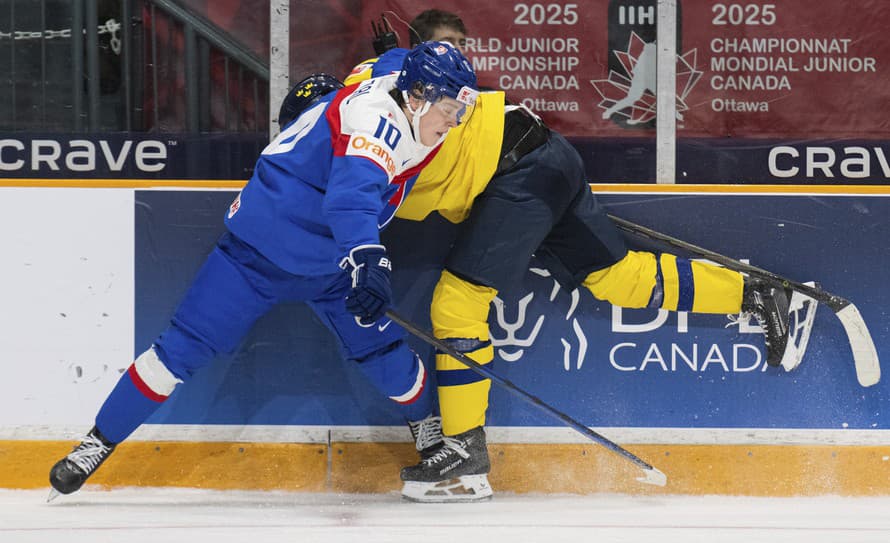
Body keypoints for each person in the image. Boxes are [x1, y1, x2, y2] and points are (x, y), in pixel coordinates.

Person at [340, 45, 802, 503]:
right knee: (617, 277)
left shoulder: (361, 121)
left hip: (512, 170)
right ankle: (756, 294)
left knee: (458, 304)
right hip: (544, 154)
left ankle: (465, 455)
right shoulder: (376, 88)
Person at [47, 41, 479, 500]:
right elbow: (350, 200)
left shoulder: (401, 78)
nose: (454, 122)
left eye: (460, 110)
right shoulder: (375, 126)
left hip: (331, 264)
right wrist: (368, 259)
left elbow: (395, 59)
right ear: (416, 98)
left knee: (383, 354)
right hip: (255, 257)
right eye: (450, 110)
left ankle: (427, 428)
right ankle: (95, 443)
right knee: (177, 352)